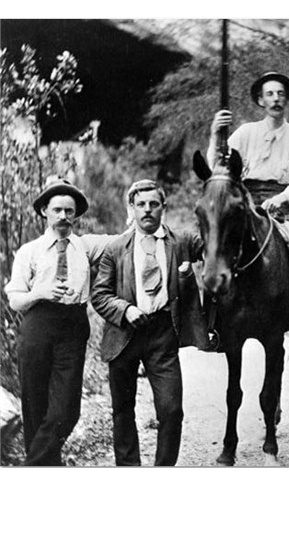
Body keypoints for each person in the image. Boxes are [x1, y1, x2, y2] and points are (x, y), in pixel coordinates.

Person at [208, 71, 289, 349]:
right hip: (245, 203)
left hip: (281, 206)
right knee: (215, 242)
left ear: (286, 99)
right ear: (260, 100)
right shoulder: (246, 132)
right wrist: (216, 133)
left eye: (280, 94)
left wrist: (280, 199)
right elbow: (217, 167)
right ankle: (212, 321)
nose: (276, 99)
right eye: (270, 94)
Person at [91, 180, 204, 466]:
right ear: (131, 208)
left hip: (163, 333)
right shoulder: (115, 248)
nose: (147, 210)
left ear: (163, 207)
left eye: (154, 204)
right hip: (124, 335)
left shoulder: (183, 242)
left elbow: (217, 245)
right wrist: (125, 309)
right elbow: (99, 295)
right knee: (123, 410)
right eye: (140, 204)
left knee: (171, 410)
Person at [5, 178, 111, 465]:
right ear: (44, 212)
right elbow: (14, 297)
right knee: (35, 408)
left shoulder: (86, 246)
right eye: (57, 210)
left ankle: (31, 468)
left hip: (73, 327)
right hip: (37, 324)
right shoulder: (30, 251)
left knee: (67, 411)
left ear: (76, 214)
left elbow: (126, 241)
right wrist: (40, 292)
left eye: (69, 210)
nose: (63, 216)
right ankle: (46, 471)